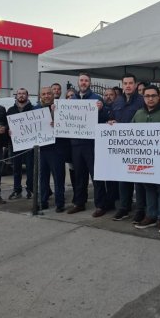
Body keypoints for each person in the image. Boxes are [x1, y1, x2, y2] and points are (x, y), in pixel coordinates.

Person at [132, 85, 160, 233]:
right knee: (148, 187)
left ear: (158, 97)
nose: (150, 98)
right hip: (144, 159)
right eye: (147, 96)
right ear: (143, 98)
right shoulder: (138, 114)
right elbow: (128, 133)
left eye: (153, 96)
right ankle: (151, 215)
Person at [67, 72, 110, 216]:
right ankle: (79, 203)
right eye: (81, 80)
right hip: (76, 144)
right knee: (79, 176)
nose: (83, 82)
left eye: (86, 80)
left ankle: (100, 205)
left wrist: (101, 109)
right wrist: (57, 112)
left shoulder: (96, 99)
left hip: (92, 144)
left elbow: (105, 119)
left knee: (96, 175)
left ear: (89, 83)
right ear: (78, 83)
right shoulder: (71, 100)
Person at [110, 73, 146, 222]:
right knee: (123, 178)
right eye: (125, 83)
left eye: (131, 83)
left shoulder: (142, 101)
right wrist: (111, 122)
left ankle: (140, 209)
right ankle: (124, 207)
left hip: (138, 146)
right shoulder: (117, 101)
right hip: (122, 146)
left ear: (136, 85)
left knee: (139, 180)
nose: (128, 86)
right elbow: (112, 117)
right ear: (122, 85)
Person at [36, 86, 66, 212]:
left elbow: (68, 124)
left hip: (56, 149)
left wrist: (58, 123)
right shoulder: (35, 109)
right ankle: (43, 201)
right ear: (40, 96)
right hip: (42, 149)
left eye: (49, 93)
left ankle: (60, 203)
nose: (47, 96)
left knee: (58, 177)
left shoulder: (61, 108)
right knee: (43, 178)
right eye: (44, 94)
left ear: (53, 94)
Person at [7, 88, 34, 200]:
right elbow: (5, 124)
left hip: (29, 145)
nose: (21, 95)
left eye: (23, 94)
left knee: (30, 168)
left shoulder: (33, 109)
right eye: (19, 94)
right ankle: (17, 190)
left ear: (27, 96)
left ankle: (30, 189)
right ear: (16, 96)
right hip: (16, 144)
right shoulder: (10, 110)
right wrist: (7, 130)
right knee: (16, 168)